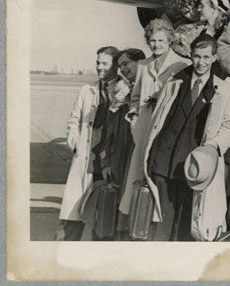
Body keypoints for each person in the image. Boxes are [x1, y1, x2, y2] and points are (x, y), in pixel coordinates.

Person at [142, 34, 230, 241]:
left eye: (206, 57)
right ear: (190, 55)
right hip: (164, 163)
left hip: (196, 168)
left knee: (188, 225)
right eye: (196, 56)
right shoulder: (174, 83)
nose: (201, 62)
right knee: (159, 224)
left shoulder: (225, 91)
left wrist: (213, 146)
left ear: (214, 58)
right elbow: (158, 119)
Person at [120, 19, 191, 220]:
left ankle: (155, 216)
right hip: (143, 125)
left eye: (160, 40)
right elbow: (135, 97)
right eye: (152, 40)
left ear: (169, 40)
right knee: (137, 171)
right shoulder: (143, 65)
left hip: (165, 126)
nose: (156, 44)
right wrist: (134, 118)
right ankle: (137, 215)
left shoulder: (181, 64)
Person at [56, 46, 121, 240]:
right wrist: (74, 141)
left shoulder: (124, 90)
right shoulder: (87, 90)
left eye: (105, 63)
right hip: (85, 160)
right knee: (72, 216)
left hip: (107, 162)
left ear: (115, 65)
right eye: (98, 63)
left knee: (103, 218)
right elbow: (73, 120)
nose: (99, 67)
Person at [98, 47, 144, 239]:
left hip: (135, 158)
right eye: (120, 65)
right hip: (118, 160)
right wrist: (105, 161)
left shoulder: (149, 91)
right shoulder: (120, 92)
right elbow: (109, 132)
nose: (122, 69)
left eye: (126, 64)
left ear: (140, 64)